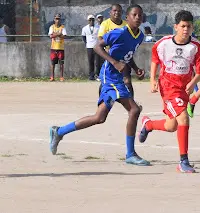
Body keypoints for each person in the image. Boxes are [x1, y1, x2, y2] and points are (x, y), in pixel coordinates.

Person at [49, 4, 149, 166]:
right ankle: (130, 154)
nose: (138, 18)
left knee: (99, 117)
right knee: (134, 109)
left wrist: (136, 69)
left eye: (140, 15)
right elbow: (97, 46)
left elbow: (127, 55)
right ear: (127, 18)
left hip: (115, 77)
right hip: (110, 76)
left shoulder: (139, 36)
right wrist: (114, 62)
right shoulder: (119, 32)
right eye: (134, 15)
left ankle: (58, 131)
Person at [138, 10, 200, 173]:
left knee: (172, 125)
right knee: (183, 119)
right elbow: (155, 59)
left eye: (188, 26)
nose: (185, 29)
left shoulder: (195, 46)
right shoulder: (164, 43)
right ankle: (183, 161)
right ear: (175, 27)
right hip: (168, 86)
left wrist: (193, 82)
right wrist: (152, 80)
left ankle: (149, 124)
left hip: (184, 88)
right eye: (182, 26)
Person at [48, 13, 67, 82]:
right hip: (53, 47)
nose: (57, 20)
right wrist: (59, 34)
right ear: (54, 19)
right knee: (53, 63)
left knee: (61, 63)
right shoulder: (52, 27)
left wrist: (55, 34)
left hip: (61, 48)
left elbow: (64, 36)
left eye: (58, 19)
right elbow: (51, 36)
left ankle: (61, 77)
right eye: (56, 19)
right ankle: (52, 77)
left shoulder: (62, 27)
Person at [82, 15, 100, 80]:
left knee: (98, 62)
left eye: (93, 20)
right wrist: (86, 43)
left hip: (97, 46)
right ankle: (91, 75)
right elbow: (83, 37)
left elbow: (100, 36)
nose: (91, 21)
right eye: (90, 20)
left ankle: (97, 75)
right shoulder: (84, 28)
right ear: (88, 21)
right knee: (90, 61)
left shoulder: (98, 27)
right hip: (89, 47)